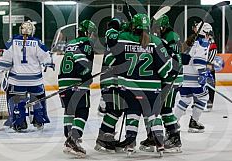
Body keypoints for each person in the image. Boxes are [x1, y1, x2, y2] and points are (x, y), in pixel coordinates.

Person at [100, 13, 177, 156]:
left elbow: (110, 59)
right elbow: (165, 69)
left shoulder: (123, 38)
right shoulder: (155, 41)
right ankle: (159, 143)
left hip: (129, 87)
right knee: (154, 115)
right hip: (151, 88)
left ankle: (130, 143)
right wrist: (169, 75)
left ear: (133, 26)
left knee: (133, 113)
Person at [0, 20, 54, 132]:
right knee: (39, 98)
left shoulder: (12, 41)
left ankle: (19, 122)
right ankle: (39, 119)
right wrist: (48, 63)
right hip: (35, 80)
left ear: (20, 30)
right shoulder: (37, 42)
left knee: (16, 100)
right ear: (32, 31)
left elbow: (6, 61)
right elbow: (47, 59)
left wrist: (1, 70)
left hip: (16, 80)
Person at [139, 14, 183, 152]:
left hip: (172, 77)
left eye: (158, 28)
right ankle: (153, 136)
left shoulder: (171, 36)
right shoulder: (166, 37)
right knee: (157, 109)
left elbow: (174, 57)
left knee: (165, 109)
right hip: (168, 77)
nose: (156, 31)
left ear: (163, 27)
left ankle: (175, 138)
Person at [58, 20, 97, 158]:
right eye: (92, 34)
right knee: (82, 110)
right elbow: (81, 63)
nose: (93, 37)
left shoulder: (71, 43)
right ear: (88, 32)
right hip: (76, 84)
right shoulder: (85, 43)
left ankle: (68, 138)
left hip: (63, 82)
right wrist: (87, 76)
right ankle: (73, 139)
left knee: (69, 110)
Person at [174, 22, 214, 133]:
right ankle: (194, 123)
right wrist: (203, 73)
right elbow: (198, 60)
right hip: (194, 78)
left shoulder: (191, 42)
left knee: (185, 99)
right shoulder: (203, 42)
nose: (210, 36)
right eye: (209, 33)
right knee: (203, 98)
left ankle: (174, 123)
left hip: (184, 78)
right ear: (205, 33)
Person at [95, 18, 124, 153]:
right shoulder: (112, 33)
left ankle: (107, 137)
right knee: (115, 110)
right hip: (110, 79)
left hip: (112, 79)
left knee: (115, 109)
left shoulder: (114, 36)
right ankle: (104, 138)